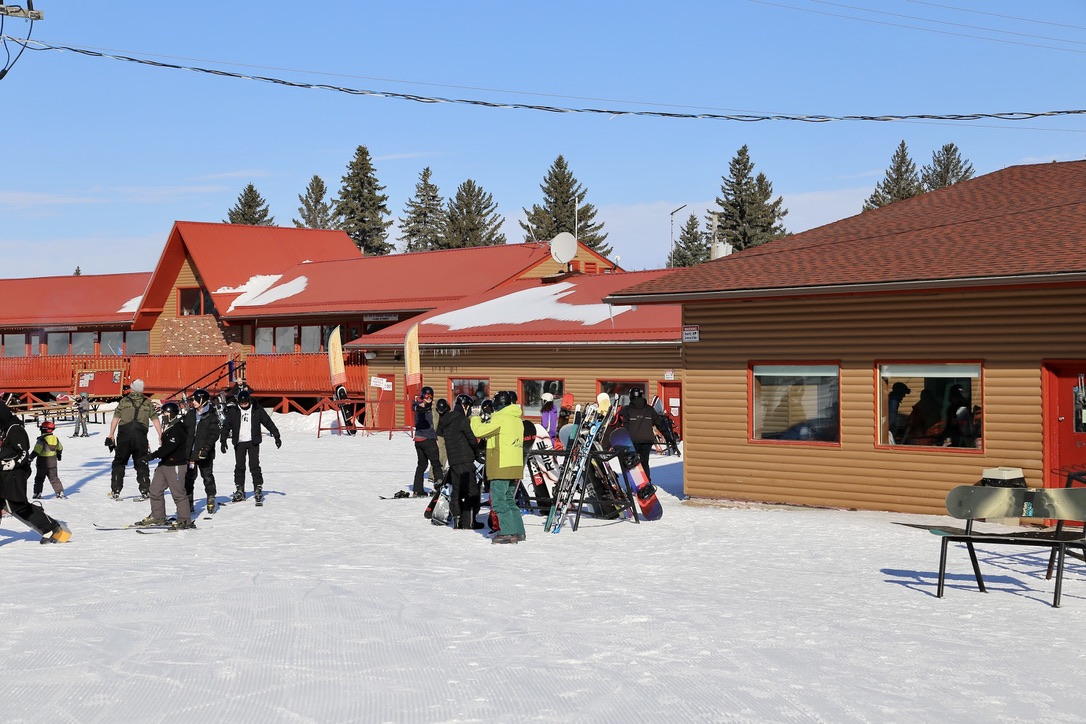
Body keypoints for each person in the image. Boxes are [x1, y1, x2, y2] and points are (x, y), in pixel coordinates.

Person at [0, 400, 71, 543]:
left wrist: (11, 463)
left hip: (14, 474)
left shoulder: (15, 429)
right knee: (9, 504)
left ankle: (51, 527)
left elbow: (23, 452)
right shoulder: (5, 429)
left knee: (18, 506)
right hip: (4, 474)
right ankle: (49, 527)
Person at [470, 390, 526, 544]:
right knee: (509, 499)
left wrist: (475, 417)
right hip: (515, 464)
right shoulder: (517, 420)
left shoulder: (501, 418)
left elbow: (479, 431)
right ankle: (518, 531)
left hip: (501, 464)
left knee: (499, 500)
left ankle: (507, 532)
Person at [136, 401, 193, 528]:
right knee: (155, 490)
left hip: (176, 464)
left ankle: (184, 520)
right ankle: (158, 516)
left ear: (172, 414)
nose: (163, 415)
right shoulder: (168, 426)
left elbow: (168, 448)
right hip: (164, 464)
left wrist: (151, 456)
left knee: (178, 493)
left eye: (165, 413)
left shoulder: (178, 428)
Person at [219, 389, 281, 504]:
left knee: (254, 465)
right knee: (239, 466)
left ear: (249, 401)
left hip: (253, 442)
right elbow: (226, 426)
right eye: (241, 403)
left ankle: (258, 488)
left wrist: (276, 436)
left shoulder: (257, 409)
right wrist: (223, 441)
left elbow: (268, 422)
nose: (243, 405)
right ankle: (240, 489)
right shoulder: (234, 411)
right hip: (239, 442)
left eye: (245, 403)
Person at [106, 378, 162, 500]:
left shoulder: (124, 401)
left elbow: (115, 418)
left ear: (132, 388)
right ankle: (145, 490)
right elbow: (156, 420)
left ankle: (116, 490)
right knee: (141, 463)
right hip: (140, 437)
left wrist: (111, 434)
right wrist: (160, 435)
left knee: (119, 463)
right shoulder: (147, 403)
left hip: (124, 436)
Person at [437, 394, 482, 529]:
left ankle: (457, 519)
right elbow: (471, 439)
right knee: (472, 490)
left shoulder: (445, 420)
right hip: (465, 459)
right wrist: (477, 453)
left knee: (456, 489)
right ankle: (469, 521)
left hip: (453, 460)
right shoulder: (462, 419)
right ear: (465, 406)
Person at [616, 387, 667, 481]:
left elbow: (624, 425)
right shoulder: (649, 409)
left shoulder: (627, 409)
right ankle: (647, 482)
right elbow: (659, 423)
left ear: (630, 397)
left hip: (633, 440)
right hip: (647, 440)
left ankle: (638, 482)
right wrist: (667, 436)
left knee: (634, 463)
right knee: (644, 462)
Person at [183, 388, 220, 513]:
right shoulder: (190, 414)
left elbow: (214, 433)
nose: (193, 402)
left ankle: (210, 498)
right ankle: (188, 503)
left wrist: (207, 447)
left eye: (195, 399)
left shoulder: (211, 416)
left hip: (204, 453)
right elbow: (184, 430)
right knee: (189, 479)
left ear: (202, 400)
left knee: (207, 477)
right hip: (190, 453)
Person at [411, 386, 443, 497]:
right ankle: (440, 487)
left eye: (430, 396)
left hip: (419, 440)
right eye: (426, 396)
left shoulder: (426, 407)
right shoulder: (421, 407)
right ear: (422, 396)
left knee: (422, 465)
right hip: (427, 440)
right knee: (436, 463)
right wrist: (419, 406)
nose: (428, 398)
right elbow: (417, 408)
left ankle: (417, 489)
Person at [30, 420, 66, 499]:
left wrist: (30, 458)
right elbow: (60, 448)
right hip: (53, 462)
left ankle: (37, 493)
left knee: (39, 478)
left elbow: (36, 451)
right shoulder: (55, 439)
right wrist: (59, 455)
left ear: (44, 429)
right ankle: (60, 492)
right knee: (54, 478)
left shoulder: (41, 440)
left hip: (42, 462)